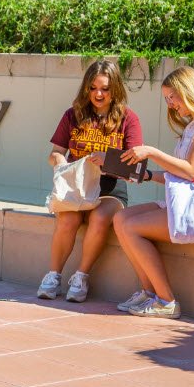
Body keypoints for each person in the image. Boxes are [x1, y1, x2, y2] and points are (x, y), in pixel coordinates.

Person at [113, 66, 194, 319]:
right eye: (167, 99)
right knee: (120, 218)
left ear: (188, 91)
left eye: (172, 97)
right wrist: (144, 175)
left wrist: (152, 152)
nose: (170, 105)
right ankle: (149, 293)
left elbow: (193, 172)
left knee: (131, 227)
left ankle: (166, 300)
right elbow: (185, 174)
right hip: (186, 202)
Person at [39, 60, 143, 302]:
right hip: (76, 186)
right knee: (68, 218)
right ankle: (53, 275)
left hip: (110, 188)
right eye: (93, 87)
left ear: (115, 89)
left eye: (105, 89)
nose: (98, 94)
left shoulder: (128, 118)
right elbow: (56, 152)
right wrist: (59, 161)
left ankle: (81, 276)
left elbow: (136, 165)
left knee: (99, 218)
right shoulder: (72, 115)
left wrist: (107, 160)